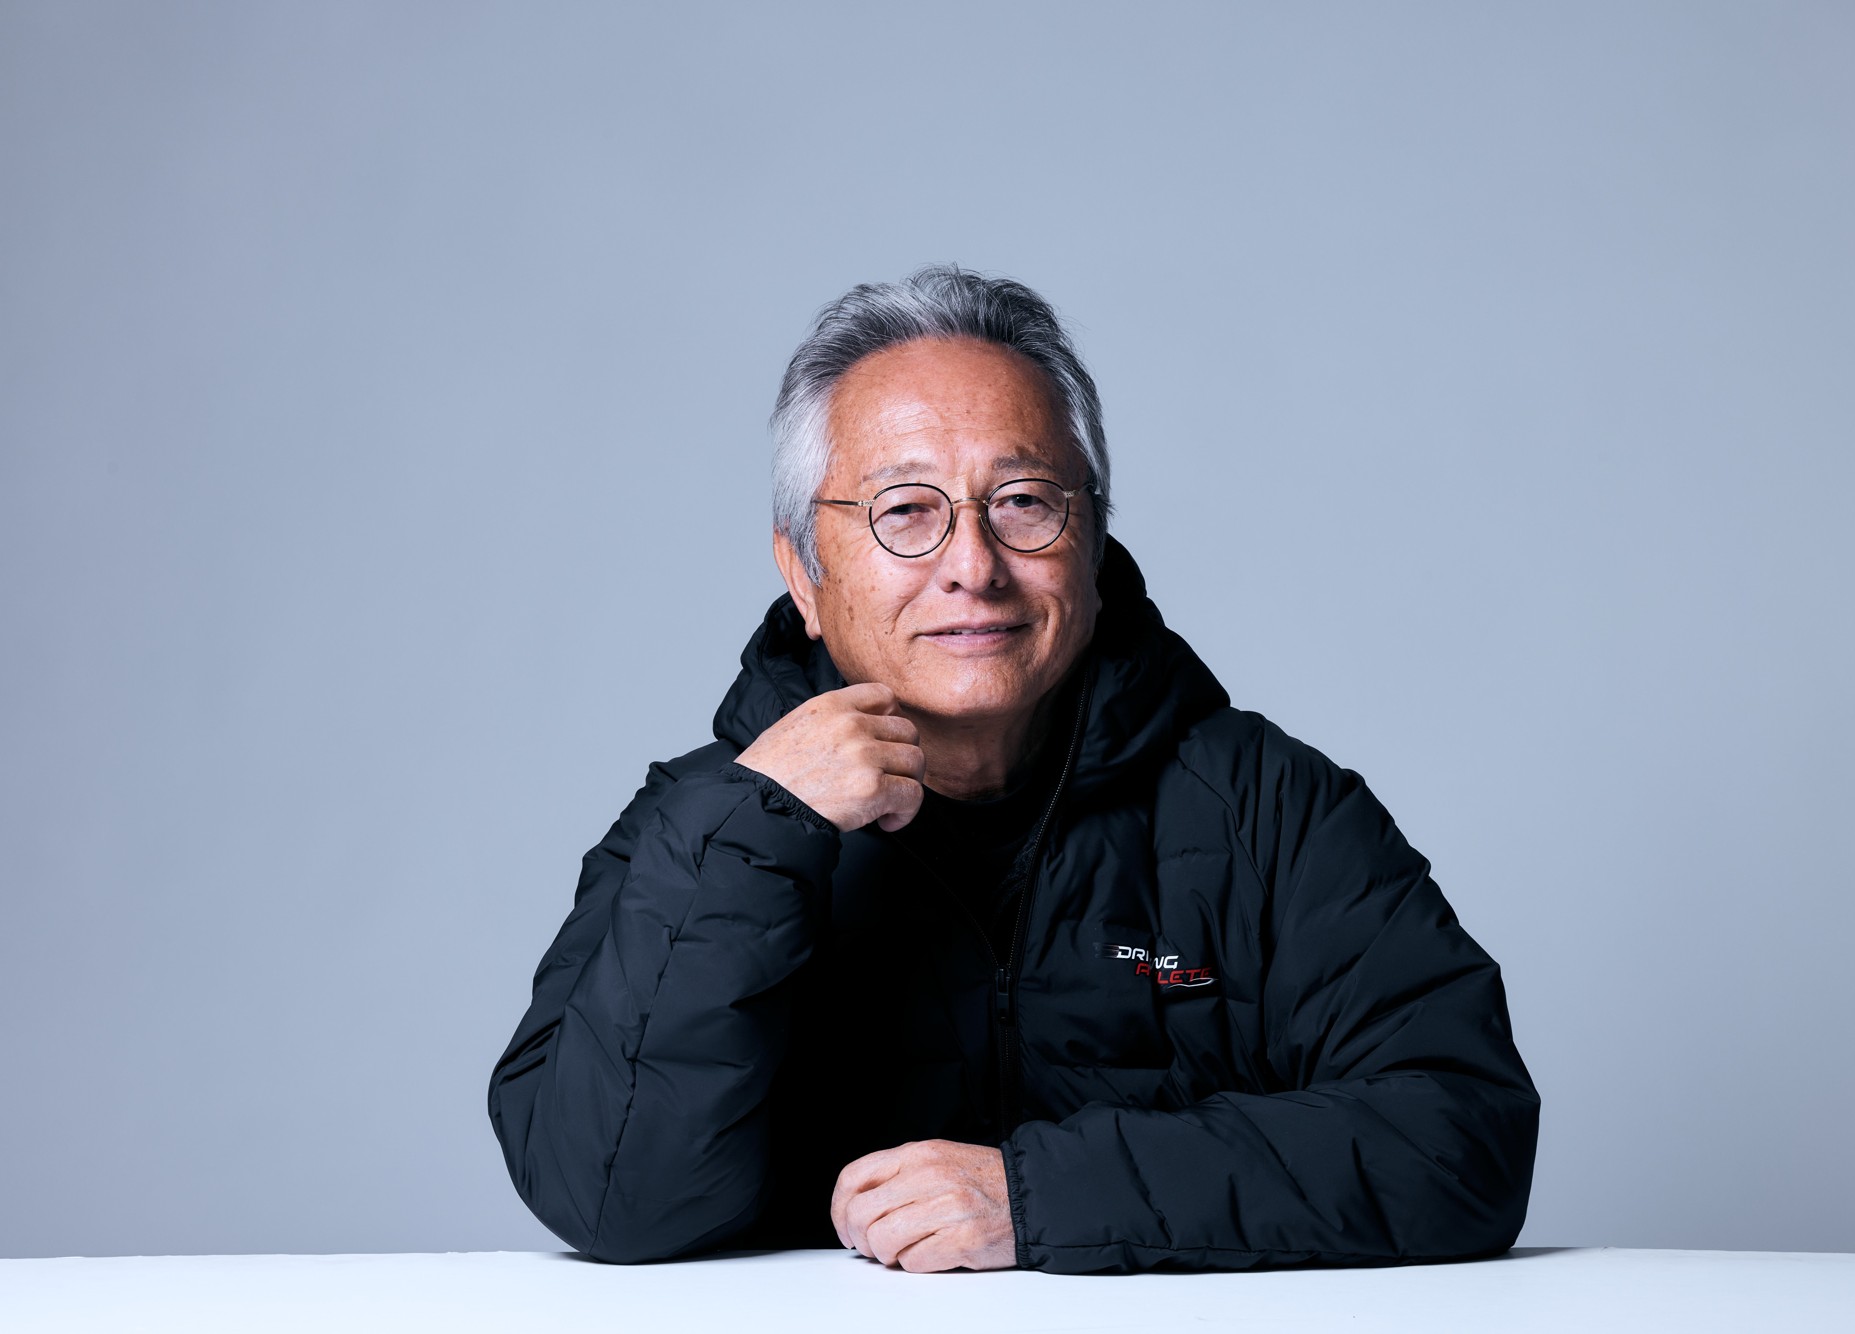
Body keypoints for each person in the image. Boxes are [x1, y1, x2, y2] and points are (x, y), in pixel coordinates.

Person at [487, 265, 1539, 1275]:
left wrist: (1037, 1198)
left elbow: (1460, 1137)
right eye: (905, 510)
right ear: (803, 571)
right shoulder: (700, 830)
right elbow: (609, 1197)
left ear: (1092, 540)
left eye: (1024, 501)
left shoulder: (1269, 808)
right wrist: (757, 825)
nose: (973, 566)